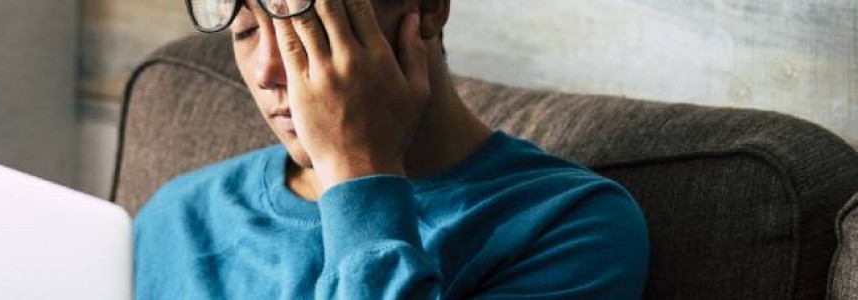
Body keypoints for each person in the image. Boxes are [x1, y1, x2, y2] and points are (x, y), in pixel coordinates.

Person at [133, 0, 650, 298]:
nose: (268, 70)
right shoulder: (178, 217)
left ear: (426, 8)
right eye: (246, 32)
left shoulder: (569, 225)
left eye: (304, 26)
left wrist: (357, 168)